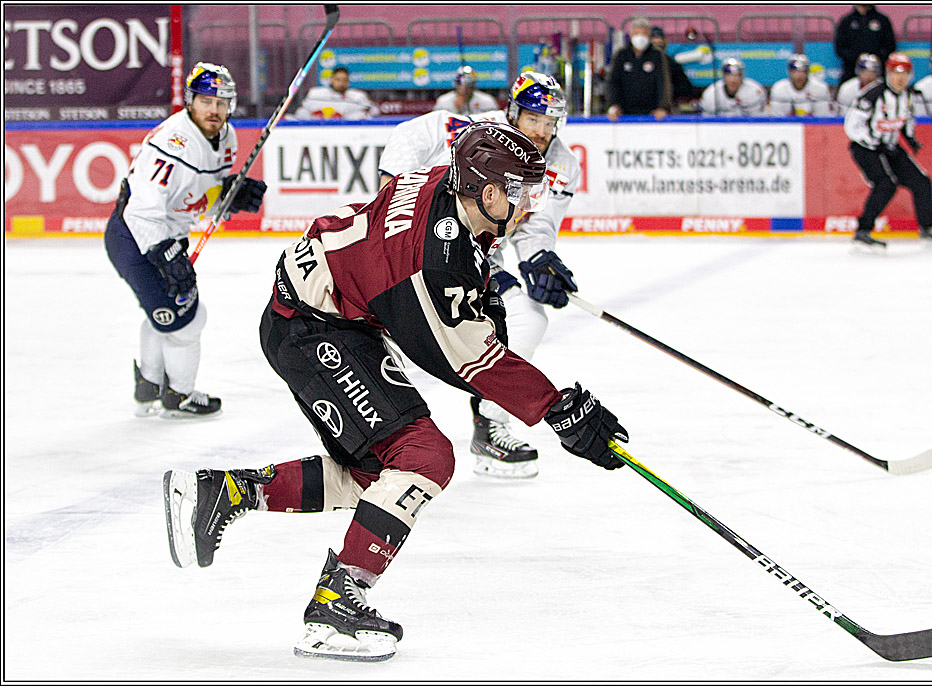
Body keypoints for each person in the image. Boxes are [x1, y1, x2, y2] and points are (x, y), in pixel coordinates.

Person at [161, 121, 630, 662]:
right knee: (425, 456)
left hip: (331, 309)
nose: (527, 207)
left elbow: (459, 270)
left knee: (380, 476)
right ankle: (335, 604)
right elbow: (470, 360)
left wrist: (489, 292)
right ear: (490, 191)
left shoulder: (443, 183)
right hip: (312, 326)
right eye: (521, 193)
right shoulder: (428, 266)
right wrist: (559, 409)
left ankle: (225, 493)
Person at [378, 71, 580, 480]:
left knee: (528, 316)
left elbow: (536, 224)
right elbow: (411, 133)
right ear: (513, 111)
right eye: (533, 119)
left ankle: (489, 421)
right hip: (428, 233)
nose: (542, 130)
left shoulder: (562, 164)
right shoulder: (483, 128)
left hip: (482, 250)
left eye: (549, 121)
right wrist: (395, 191)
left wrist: (540, 257)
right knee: (392, 326)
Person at [104, 62, 266, 418]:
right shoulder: (171, 143)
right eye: (207, 100)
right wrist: (168, 254)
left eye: (222, 103)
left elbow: (199, 195)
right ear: (191, 101)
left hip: (168, 235)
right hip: (135, 239)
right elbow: (143, 211)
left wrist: (227, 195)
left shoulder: (226, 137)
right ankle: (179, 395)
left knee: (166, 312)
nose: (215, 110)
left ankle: (148, 386)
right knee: (187, 320)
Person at [844, 53, 932, 252]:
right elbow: (851, 124)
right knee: (885, 185)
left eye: (905, 73)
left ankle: (927, 228)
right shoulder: (873, 94)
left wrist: (910, 139)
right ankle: (863, 231)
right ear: (887, 73)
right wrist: (870, 141)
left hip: (889, 146)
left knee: (922, 182)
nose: (900, 78)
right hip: (866, 148)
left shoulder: (907, 95)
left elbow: (906, 119)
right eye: (895, 73)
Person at [606, 17, 672, 121]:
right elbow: (613, 82)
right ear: (631, 35)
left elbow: (663, 83)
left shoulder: (657, 56)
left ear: (649, 36)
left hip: (652, 113)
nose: (640, 37)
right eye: (637, 33)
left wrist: (663, 107)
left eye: (643, 34)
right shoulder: (621, 55)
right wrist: (613, 105)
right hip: (624, 113)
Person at [834, 5, 896, 84]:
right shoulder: (846, 21)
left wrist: (875, 59)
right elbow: (840, 48)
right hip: (851, 72)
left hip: (878, 73)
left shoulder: (883, 20)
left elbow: (890, 46)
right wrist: (858, 59)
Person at [295, 66, 379, 120]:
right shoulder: (316, 94)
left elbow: (373, 111)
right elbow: (302, 112)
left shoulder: (357, 97)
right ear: (332, 79)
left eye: (344, 80)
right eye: (338, 79)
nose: (341, 83)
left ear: (348, 82)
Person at [769, 53, 833, 116]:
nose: (799, 76)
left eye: (803, 72)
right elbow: (777, 120)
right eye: (795, 72)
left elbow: (823, 119)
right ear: (789, 72)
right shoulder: (779, 89)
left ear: (808, 72)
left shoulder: (820, 88)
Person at [650, 25, 697, 110]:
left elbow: (686, 88)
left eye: (659, 45)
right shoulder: (639, 63)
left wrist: (669, 91)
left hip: (666, 107)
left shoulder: (671, 64)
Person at [699, 58, 767, 116]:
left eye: (736, 76)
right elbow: (706, 121)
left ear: (742, 76)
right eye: (729, 76)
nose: (733, 80)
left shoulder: (754, 91)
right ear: (723, 76)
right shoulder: (711, 93)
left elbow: (758, 120)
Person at [433, 66, 500, 115]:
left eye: (469, 86)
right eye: (461, 85)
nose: (464, 88)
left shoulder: (487, 101)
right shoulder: (443, 102)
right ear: (456, 84)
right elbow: (437, 124)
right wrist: (456, 109)